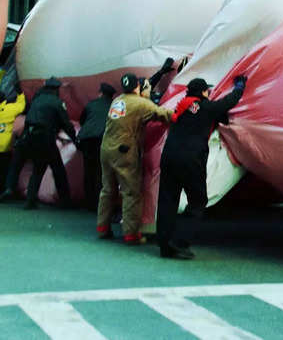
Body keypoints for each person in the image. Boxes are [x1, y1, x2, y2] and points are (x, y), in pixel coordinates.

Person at [156, 75, 247, 259]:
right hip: (191, 160)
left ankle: (164, 245)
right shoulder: (206, 107)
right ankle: (179, 241)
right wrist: (239, 87)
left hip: (169, 156)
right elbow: (229, 102)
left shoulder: (180, 108)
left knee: (168, 200)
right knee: (198, 201)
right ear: (204, 92)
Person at [97, 73, 172, 245]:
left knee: (107, 190)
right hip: (124, 151)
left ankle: (102, 228)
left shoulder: (118, 100)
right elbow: (164, 114)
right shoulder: (141, 103)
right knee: (131, 192)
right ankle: (131, 234)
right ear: (138, 87)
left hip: (106, 149)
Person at [0, 77, 77, 209]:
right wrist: (75, 139)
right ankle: (64, 200)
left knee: (24, 165)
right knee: (55, 169)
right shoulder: (57, 102)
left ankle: (11, 189)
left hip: (27, 136)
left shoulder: (36, 99)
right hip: (45, 138)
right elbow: (66, 123)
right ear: (56, 89)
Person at [77, 82, 116, 211]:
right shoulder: (114, 106)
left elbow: (82, 120)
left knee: (88, 171)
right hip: (102, 140)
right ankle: (101, 204)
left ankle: (89, 203)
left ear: (100, 93)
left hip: (87, 140)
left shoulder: (91, 104)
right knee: (102, 172)